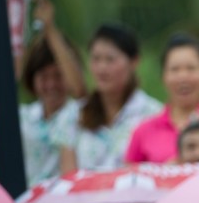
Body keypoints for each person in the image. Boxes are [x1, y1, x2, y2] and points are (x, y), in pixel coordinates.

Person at [56, 22, 162, 173]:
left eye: (110, 59)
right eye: (96, 59)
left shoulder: (153, 115)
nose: (101, 68)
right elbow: (68, 178)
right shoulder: (72, 115)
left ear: (134, 62)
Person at [18, 0, 86, 186]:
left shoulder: (79, 114)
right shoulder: (22, 117)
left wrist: (50, 29)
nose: (51, 84)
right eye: (43, 77)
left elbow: (79, 88)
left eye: (58, 75)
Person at [125, 33, 199, 163]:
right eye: (174, 69)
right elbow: (129, 179)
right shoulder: (143, 131)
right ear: (163, 76)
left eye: (191, 68)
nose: (183, 77)